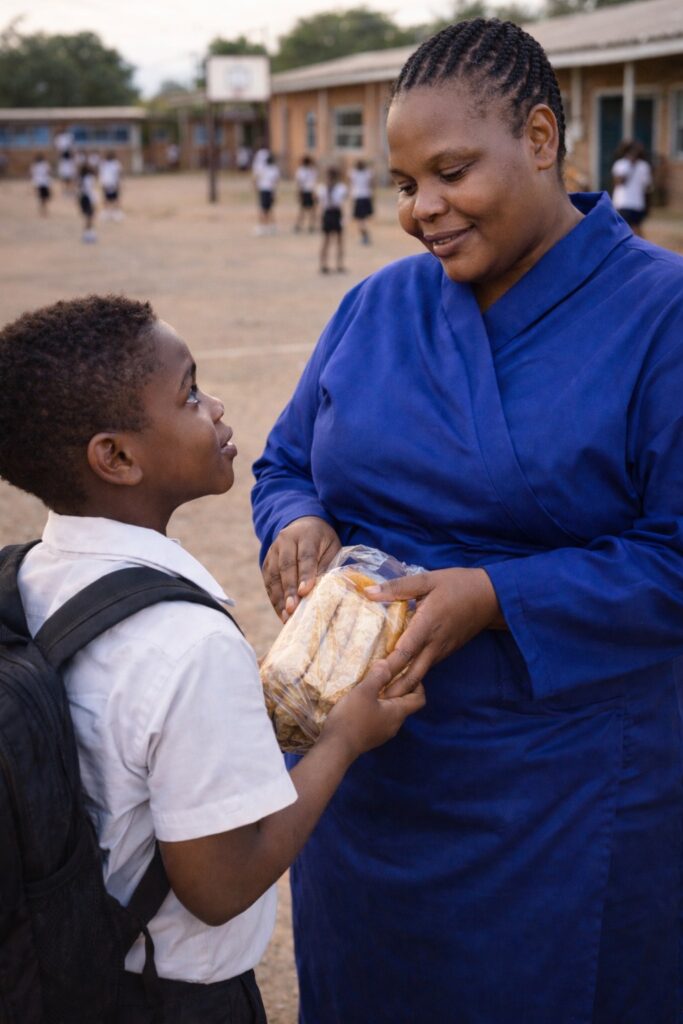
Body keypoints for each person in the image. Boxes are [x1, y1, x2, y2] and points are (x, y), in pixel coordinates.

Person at [252, 18, 683, 1024]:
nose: (419, 210)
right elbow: (281, 461)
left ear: (540, 138)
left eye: (449, 172)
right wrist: (296, 521)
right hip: (365, 769)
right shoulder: (376, 305)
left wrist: (497, 595)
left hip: (565, 790)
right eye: (403, 183)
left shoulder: (660, 314)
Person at [0, 295, 424, 1024]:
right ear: (117, 457)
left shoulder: (27, 575)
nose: (217, 406)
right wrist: (344, 738)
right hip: (168, 998)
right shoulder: (188, 645)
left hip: (59, 970)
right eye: (190, 394)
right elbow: (220, 885)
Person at [611, 139, 653, 237]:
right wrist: (630, 167)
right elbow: (618, 182)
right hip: (623, 203)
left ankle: (641, 249)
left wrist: (648, 205)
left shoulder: (643, 166)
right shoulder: (620, 164)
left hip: (637, 204)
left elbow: (648, 187)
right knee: (623, 230)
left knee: (636, 230)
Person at [317, 167, 347, 274]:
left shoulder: (322, 188)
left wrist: (320, 218)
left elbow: (321, 205)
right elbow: (342, 205)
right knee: (337, 242)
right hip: (335, 213)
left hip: (328, 213)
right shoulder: (340, 188)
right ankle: (338, 264)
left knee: (327, 241)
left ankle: (324, 264)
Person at [254, 153, 280, 235]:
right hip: (270, 190)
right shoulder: (274, 169)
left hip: (264, 190)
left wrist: (255, 187)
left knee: (263, 209)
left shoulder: (264, 169)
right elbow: (275, 182)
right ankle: (270, 226)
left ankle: (263, 226)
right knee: (269, 209)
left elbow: (257, 178)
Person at [349, 159, 374, 244]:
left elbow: (351, 184)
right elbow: (371, 184)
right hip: (366, 196)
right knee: (364, 219)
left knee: (360, 220)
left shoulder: (353, 173)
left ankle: (365, 235)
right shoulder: (368, 173)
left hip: (358, 197)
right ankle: (365, 235)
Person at [294, 155, 318, 233]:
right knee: (312, 210)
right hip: (310, 191)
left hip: (304, 191)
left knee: (302, 210)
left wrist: (298, 193)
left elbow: (299, 183)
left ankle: (299, 226)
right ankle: (311, 226)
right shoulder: (312, 171)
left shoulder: (300, 171)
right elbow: (314, 181)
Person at [77, 160, 98, 243]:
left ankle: (87, 233)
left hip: (83, 198)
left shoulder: (80, 178)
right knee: (90, 217)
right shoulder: (89, 178)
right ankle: (88, 234)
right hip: (88, 198)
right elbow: (90, 190)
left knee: (87, 217)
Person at [99, 150, 123, 220]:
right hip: (112, 183)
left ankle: (109, 212)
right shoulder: (115, 164)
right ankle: (115, 212)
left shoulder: (105, 164)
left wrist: (102, 183)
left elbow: (102, 174)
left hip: (107, 183)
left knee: (108, 198)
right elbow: (119, 173)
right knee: (113, 198)